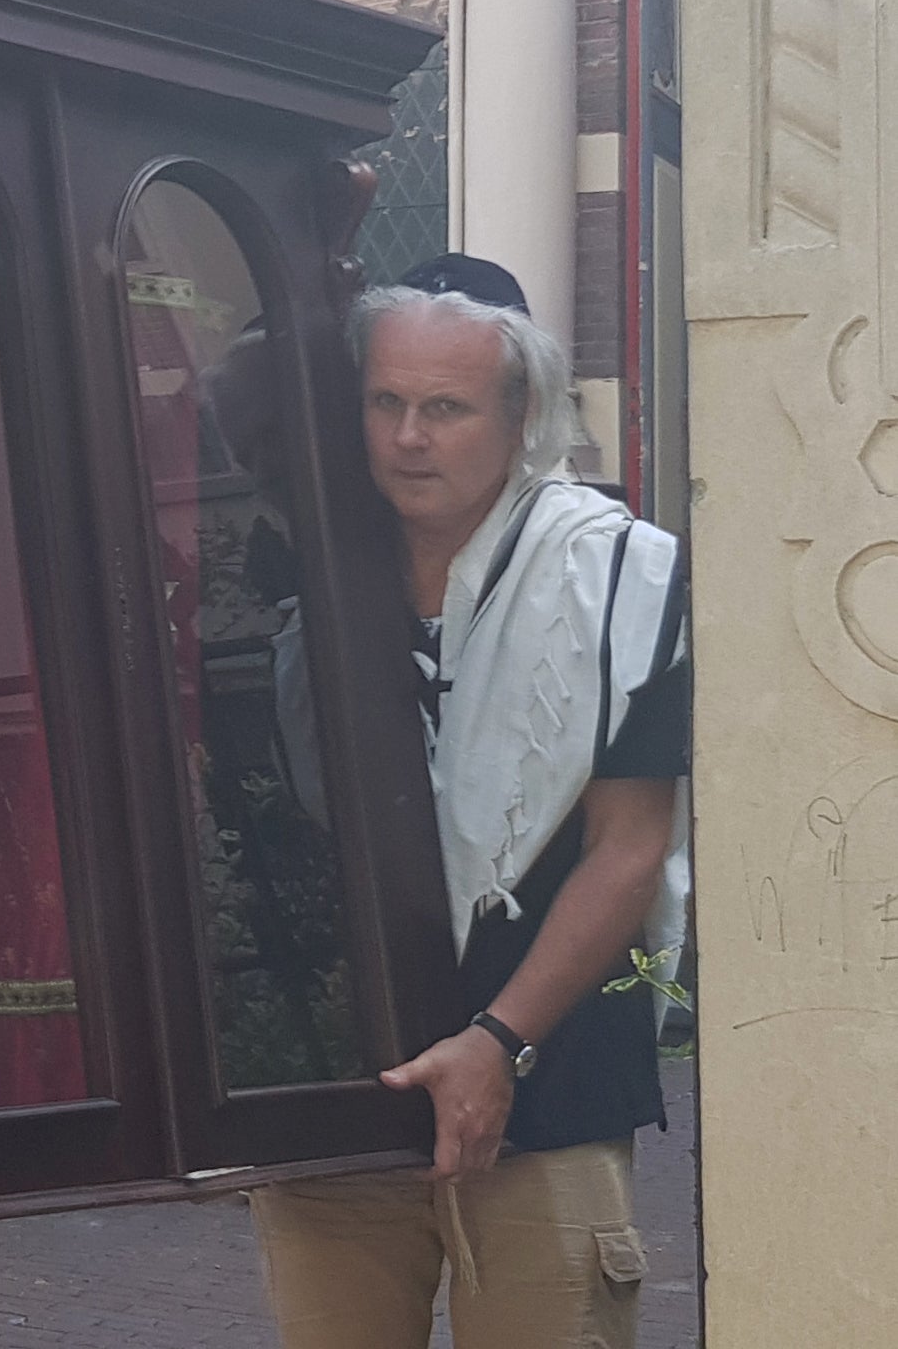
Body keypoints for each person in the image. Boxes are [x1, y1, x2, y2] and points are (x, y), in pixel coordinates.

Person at [249, 255, 691, 1349]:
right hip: (340, 1091)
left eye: (443, 408)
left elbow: (629, 848)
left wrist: (497, 1042)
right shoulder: (299, 561)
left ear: (521, 410)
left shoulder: (623, 577)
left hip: (550, 1075)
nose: (407, 436)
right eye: (384, 402)